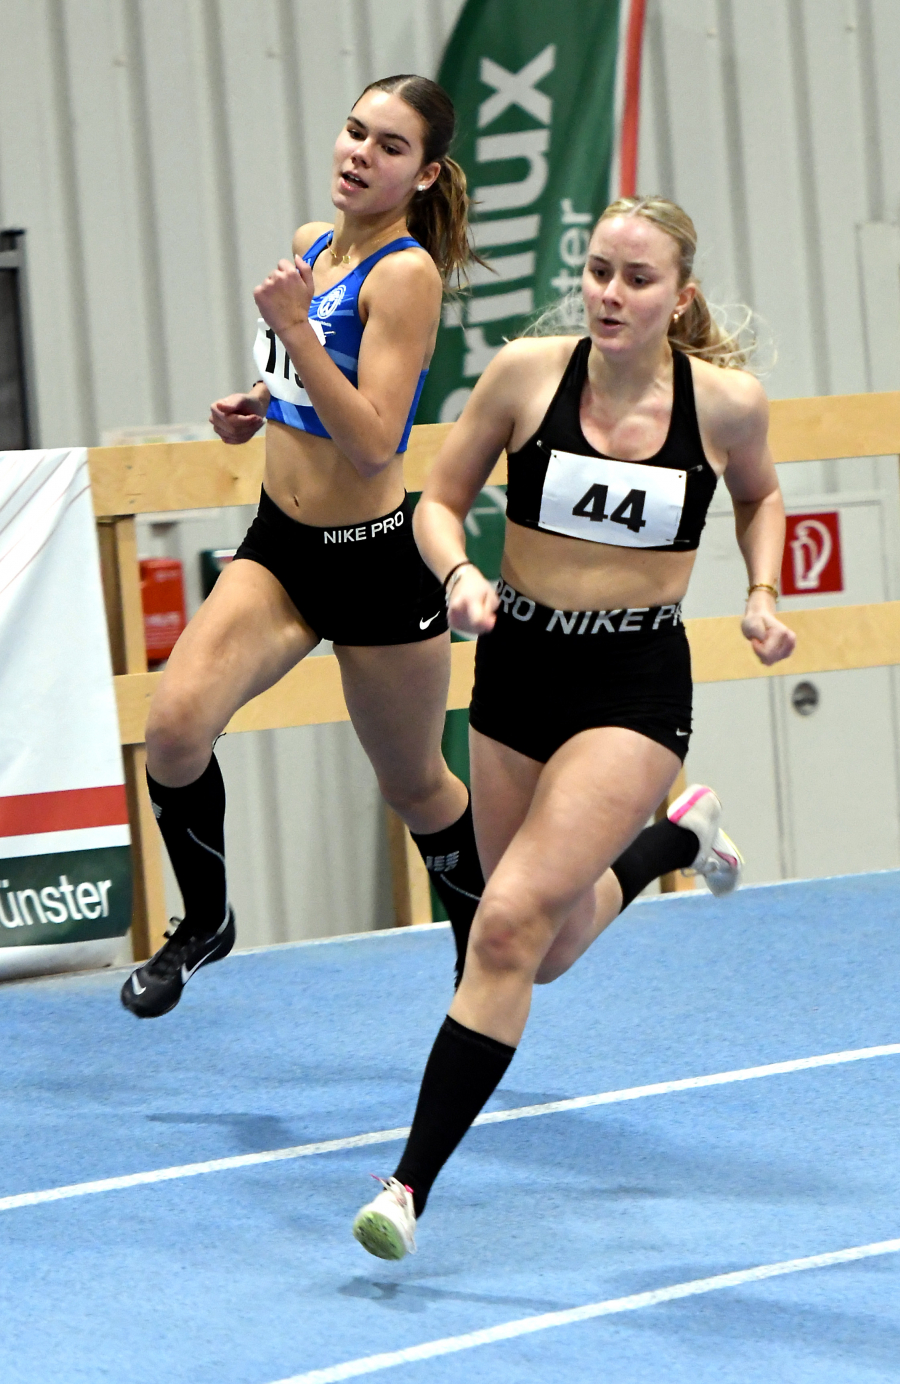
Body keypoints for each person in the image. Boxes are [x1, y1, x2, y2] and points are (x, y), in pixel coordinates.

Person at [352, 195, 797, 1259]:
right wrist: (457, 571)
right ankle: (676, 838)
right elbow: (435, 499)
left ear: (677, 296)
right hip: (516, 666)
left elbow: (760, 494)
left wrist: (764, 591)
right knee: (539, 953)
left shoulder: (726, 405)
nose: (611, 293)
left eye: (637, 279)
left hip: (633, 682)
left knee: (502, 927)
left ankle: (406, 1186)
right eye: (599, 270)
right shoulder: (524, 375)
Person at [121, 75, 487, 1019]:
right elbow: (311, 388)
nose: (360, 153)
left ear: (423, 173)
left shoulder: (406, 275)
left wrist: (293, 331)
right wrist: (258, 405)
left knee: (415, 784)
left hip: (374, 559)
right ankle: (206, 922)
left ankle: (481, 947)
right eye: (356, 131)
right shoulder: (309, 246)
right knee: (171, 731)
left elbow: (374, 439)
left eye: (390, 146)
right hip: (283, 548)